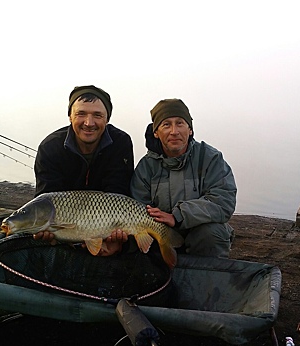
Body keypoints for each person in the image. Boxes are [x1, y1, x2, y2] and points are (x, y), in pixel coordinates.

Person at [31, 85, 134, 255]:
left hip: (104, 224)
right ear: (70, 116)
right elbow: (47, 197)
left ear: (107, 119)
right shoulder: (50, 147)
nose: (89, 123)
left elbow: (117, 194)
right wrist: (49, 233)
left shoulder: (121, 142)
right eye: (81, 114)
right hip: (66, 227)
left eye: (97, 115)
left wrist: (112, 238)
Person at [130, 98, 237, 258]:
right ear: (156, 133)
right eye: (166, 124)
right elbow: (138, 206)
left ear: (190, 129)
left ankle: (207, 276)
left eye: (180, 123)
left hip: (199, 232)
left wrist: (178, 216)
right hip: (159, 232)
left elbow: (223, 201)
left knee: (213, 233)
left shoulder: (210, 158)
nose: (174, 131)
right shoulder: (146, 167)